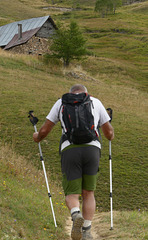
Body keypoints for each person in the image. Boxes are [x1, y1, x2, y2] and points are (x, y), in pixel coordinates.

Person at [33, 84, 114, 240]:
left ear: (70, 93)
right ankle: (87, 231)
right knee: (88, 192)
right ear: (86, 92)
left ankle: (76, 215)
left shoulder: (61, 103)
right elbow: (109, 132)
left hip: (69, 150)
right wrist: (110, 136)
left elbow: (44, 130)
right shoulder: (95, 102)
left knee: (72, 193)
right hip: (92, 150)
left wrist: (37, 137)